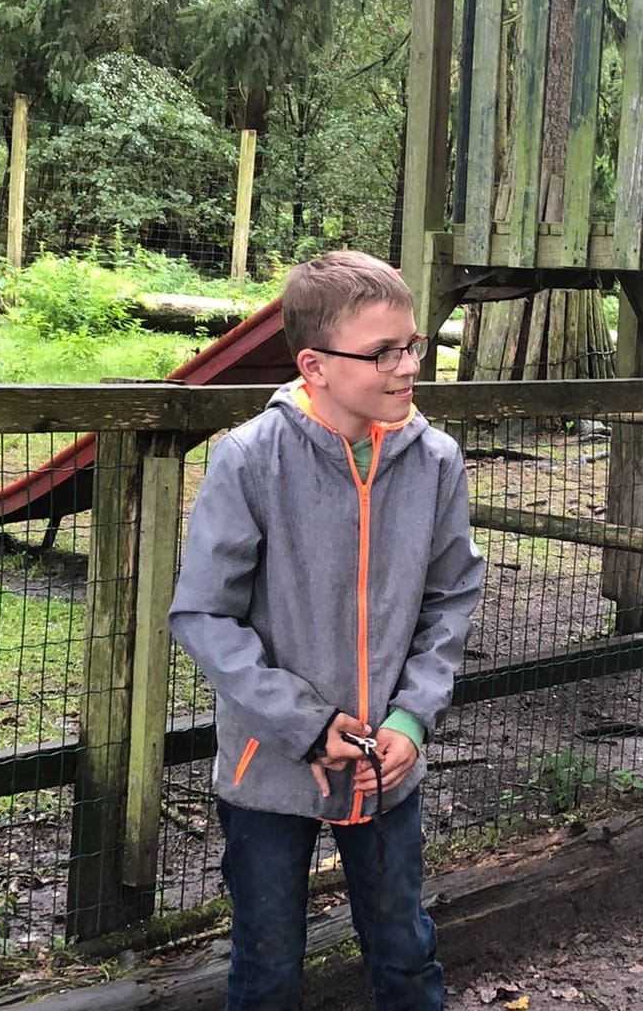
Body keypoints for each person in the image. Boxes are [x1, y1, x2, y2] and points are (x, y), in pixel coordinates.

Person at [168, 250, 485, 1011]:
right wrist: (307, 726)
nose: (408, 366)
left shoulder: (436, 460)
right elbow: (202, 615)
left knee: (405, 951)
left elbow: (451, 597)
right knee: (269, 965)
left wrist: (412, 717)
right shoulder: (249, 459)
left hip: (389, 767)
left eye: (413, 345)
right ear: (314, 364)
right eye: (383, 352)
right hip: (268, 768)